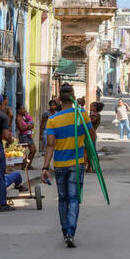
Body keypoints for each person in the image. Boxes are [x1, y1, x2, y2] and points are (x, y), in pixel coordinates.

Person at [41, 82, 89, 247]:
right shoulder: (82, 115)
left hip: (60, 164)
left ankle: (65, 231)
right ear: (74, 98)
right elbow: (92, 137)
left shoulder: (53, 119)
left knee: (62, 199)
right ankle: (70, 232)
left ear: (59, 100)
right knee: (74, 198)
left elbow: (50, 145)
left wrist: (45, 168)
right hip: (77, 163)